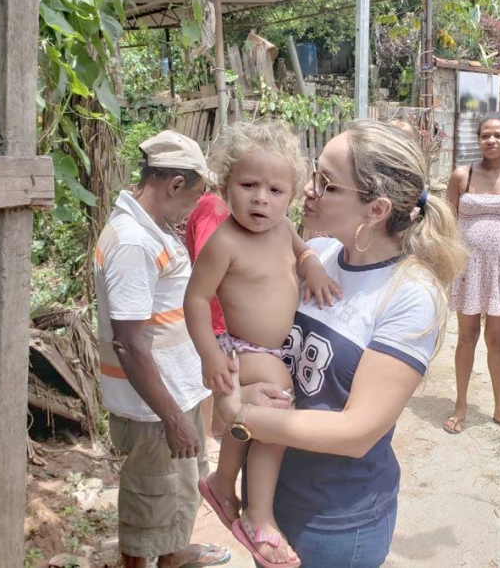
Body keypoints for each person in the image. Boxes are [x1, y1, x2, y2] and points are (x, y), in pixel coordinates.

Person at [209, 120, 467, 568]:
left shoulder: (410, 294)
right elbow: (252, 344)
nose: (306, 189)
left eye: (326, 184)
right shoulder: (320, 255)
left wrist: (241, 415)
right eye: (314, 173)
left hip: (334, 521)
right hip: (269, 496)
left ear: (376, 209)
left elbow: (356, 433)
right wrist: (232, 392)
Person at [184, 120, 340, 568]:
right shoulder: (224, 242)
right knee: (275, 410)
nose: (260, 198)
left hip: (274, 349)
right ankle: (259, 514)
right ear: (225, 185)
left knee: (259, 418)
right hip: (244, 348)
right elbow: (195, 298)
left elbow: (303, 251)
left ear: (290, 196)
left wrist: (311, 267)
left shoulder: (282, 229)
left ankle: (223, 481)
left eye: (275, 190)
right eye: (248, 185)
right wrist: (210, 354)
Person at [93, 130, 232, 568]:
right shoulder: (134, 242)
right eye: (192, 197)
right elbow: (130, 344)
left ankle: (174, 553)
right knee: (149, 499)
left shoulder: (150, 230)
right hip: (153, 407)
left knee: (177, 486)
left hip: (172, 393)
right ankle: (147, 559)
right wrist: (171, 418)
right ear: (174, 185)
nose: (192, 209)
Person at [442, 111, 500, 439]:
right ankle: (461, 405)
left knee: (496, 341)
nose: (491, 140)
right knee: (466, 337)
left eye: (498, 135)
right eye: (485, 135)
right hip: (468, 268)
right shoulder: (461, 176)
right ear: (478, 139)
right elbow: (448, 221)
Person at [184, 187, 231, 457]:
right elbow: (207, 255)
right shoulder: (215, 208)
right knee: (210, 374)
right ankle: (208, 437)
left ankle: (213, 432)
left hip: (216, 310)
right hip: (212, 311)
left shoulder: (211, 205)